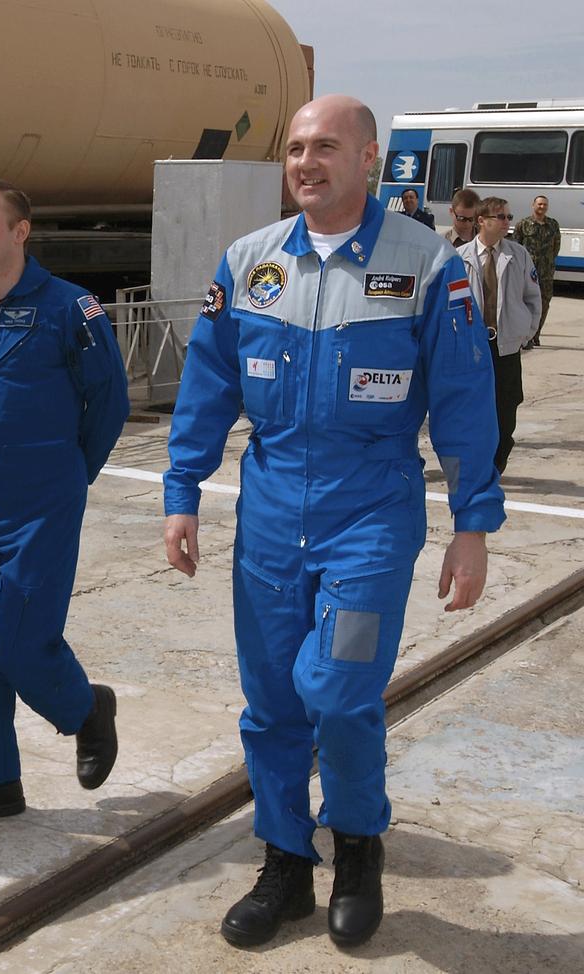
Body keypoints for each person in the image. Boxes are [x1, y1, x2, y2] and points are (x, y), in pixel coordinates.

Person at [164, 95, 505, 950]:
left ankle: (357, 844)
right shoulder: (249, 262)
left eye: (326, 147)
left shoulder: (428, 264)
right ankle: (284, 861)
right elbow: (208, 388)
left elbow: (466, 403)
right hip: (272, 513)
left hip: (371, 517)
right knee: (272, 702)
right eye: (295, 148)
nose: (306, 162)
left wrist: (473, 524)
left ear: (370, 160)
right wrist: (182, 492)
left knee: (340, 691)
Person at [0, 179, 130, 829]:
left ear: (20, 232)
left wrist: (71, 473)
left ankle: (85, 711)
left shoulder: (71, 309)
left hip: (44, 496)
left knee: (20, 643)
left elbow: (111, 403)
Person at [457, 197, 541, 474]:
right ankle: (474, 464)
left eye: (508, 216)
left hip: (506, 347)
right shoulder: (460, 258)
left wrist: (524, 333)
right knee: (471, 409)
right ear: (482, 220)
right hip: (472, 348)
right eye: (501, 217)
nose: (507, 222)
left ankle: (496, 463)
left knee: (506, 408)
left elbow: (533, 298)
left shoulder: (518, 254)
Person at [513, 195, 560, 347]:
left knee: (544, 303)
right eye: (539, 204)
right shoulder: (523, 224)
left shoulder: (553, 225)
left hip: (546, 273)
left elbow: (556, 247)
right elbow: (516, 245)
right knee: (525, 302)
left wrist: (547, 262)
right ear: (533, 205)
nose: (542, 207)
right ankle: (525, 334)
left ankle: (536, 335)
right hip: (527, 272)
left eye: (544, 205)